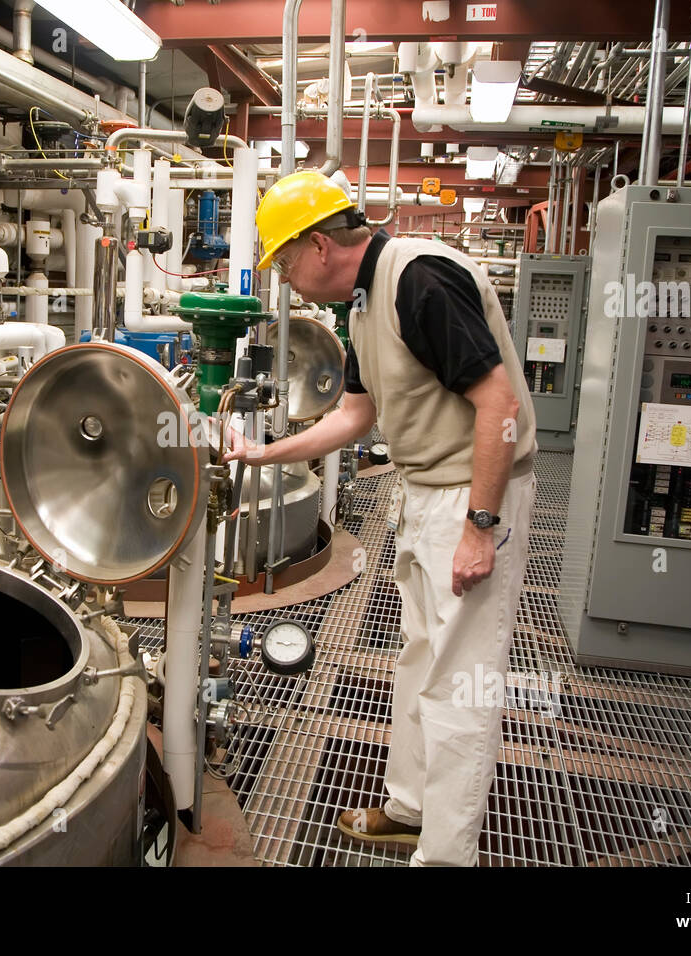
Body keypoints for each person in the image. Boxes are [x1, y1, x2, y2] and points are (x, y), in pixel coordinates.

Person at [225, 170, 538, 866]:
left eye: (283, 263)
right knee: (419, 661)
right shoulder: (366, 299)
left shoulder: (419, 279)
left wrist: (479, 527)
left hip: (471, 495)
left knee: (460, 684)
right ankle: (409, 809)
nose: (287, 282)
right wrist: (261, 453)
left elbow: (501, 406)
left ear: (319, 247)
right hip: (427, 493)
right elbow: (355, 415)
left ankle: (445, 855)